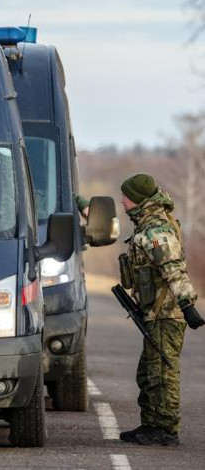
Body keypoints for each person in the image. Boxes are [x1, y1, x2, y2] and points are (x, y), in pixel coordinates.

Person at [118, 173, 204, 446]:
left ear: (138, 199)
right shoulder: (146, 226)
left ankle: (165, 429)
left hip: (166, 313)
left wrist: (187, 305)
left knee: (163, 373)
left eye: (126, 196)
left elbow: (173, 269)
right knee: (149, 373)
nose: (122, 201)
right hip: (154, 313)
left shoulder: (156, 231)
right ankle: (151, 425)